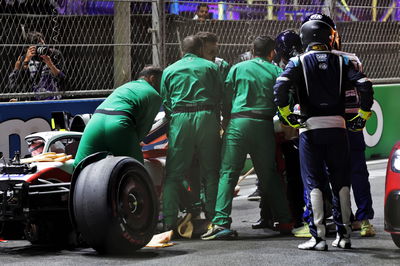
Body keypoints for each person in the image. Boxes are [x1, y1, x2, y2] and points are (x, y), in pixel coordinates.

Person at [274, 13, 374, 250]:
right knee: (341, 181)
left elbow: (281, 87)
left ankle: (318, 237)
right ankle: (344, 235)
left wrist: (287, 114)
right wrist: (363, 116)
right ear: (330, 35)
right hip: (339, 127)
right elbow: (365, 85)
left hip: (311, 129)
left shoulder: (298, 61)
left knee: (313, 182)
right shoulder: (344, 60)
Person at [201, 36, 292, 240]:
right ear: (273, 53)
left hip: (238, 122)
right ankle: (285, 220)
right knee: (269, 174)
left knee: (228, 173)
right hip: (263, 124)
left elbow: (226, 96)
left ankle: (221, 223)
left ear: (252, 50)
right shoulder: (277, 70)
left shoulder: (237, 68)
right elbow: (285, 97)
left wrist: (226, 120)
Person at [161, 35, 223, 231]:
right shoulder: (211, 67)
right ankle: (214, 219)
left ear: (182, 51)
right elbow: (219, 95)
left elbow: (166, 101)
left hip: (180, 118)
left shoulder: (169, 70)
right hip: (206, 116)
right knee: (211, 172)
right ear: (201, 50)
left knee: (173, 174)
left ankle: (169, 223)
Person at [73, 65, 163, 167]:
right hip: (120, 124)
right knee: (134, 172)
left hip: (95, 122)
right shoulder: (154, 95)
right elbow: (143, 129)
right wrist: (135, 142)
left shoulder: (125, 86)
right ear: (152, 78)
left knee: (80, 168)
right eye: (162, 82)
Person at [332, 34, 376, 237]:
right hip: (352, 120)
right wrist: (364, 114)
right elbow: (364, 85)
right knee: (358, 170)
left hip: (329, 121)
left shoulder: (310, 59)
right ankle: (364, 220)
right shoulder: (352, 58)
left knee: (331, 172)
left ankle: (341, 219)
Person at [8, 31, 65, 100]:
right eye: (37, 45)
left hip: (53, 98)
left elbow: (62, 78)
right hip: (32, 100)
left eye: (42, 44)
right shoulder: (24, 58)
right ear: (28, 47)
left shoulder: (54, 54)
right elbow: (19, 83)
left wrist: (50, 64)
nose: (40, 47)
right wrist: (26, 61)